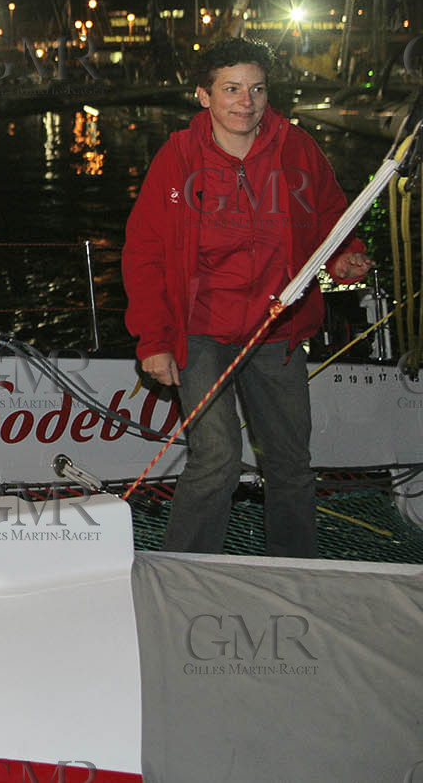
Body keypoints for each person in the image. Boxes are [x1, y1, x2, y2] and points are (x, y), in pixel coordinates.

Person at [122, 37, 372, 557]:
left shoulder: (297, 148)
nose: (246, 101)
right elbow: (144, 251)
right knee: (216, 457)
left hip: (277, 329)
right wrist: (154, 340)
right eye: (231, 88)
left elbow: (332, 216)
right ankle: (187, 570)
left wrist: (344, 257)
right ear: (204, 95)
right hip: (200, 331)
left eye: (257, 89)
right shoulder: (177, 158)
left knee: (290, 463)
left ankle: (295, 573)